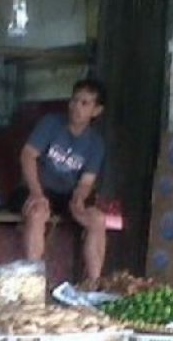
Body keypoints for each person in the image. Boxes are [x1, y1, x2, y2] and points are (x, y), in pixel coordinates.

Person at [13, 79, 109, 281]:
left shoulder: (96, 143)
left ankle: (94, 285)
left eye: (85, 103)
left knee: (98, 220)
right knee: (38, 213)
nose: (76, 107)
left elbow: (86, 182)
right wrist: (37, 193)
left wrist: (79, 199)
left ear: (96, 111)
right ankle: (32, 281)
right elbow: (28, 155)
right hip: (37, 187)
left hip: (66, 195)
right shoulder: (51, 123)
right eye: (74, 101)